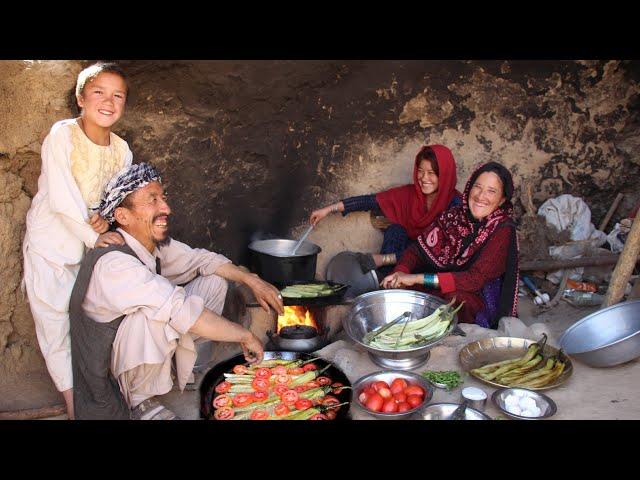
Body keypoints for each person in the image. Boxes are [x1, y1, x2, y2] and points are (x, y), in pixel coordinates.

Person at [69, 163, 284, 419]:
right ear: (123, 216)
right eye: (153, 201)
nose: (166, 209)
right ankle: (141, 401)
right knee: (155, 313)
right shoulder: (115, 264)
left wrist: (252, 281)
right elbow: (180, 310)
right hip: (109, 372)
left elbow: (203, 260)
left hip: (133, 350)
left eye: (163, 198)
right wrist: (245, 335)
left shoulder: (150, 243)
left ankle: (184, 368)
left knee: (213, 281)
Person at [22, 62, 132, 419]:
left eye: (118, 95)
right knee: (54, 323)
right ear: (81, 98)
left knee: (88, 323)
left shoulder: (123, 151)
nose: (108, 101)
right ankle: (75, 409)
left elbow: (114, 201)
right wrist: (92, 232)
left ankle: (101, 395)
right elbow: (62, 197)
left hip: (89, 249)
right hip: (52, 245)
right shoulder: (62, 135)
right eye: (99, 92)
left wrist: (105, 218)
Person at [381, 162, 519, 329]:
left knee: (453, 300)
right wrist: (401, 272)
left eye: (491, 191)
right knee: (396, 290)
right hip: (443, 283)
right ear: (469, 188)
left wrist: (415, 278)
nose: (481, 196)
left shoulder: (502, 229)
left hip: (478, 295)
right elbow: (417, 250)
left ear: (502, 199)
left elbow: (474, 279)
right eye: (478, 187)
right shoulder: (454, 216)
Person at [309, 145, 461, 275]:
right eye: (420, 171)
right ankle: (385, 282)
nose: (424, 178)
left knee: (423, 250)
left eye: (432, 173)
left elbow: (439, 252)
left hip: (434, 267)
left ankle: (386, 275)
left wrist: (384, 259)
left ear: (445, 175)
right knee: (395, 230)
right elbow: (370, 201)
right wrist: (328, 209)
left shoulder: (456, 206)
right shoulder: (410, 194)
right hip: (403, 261)